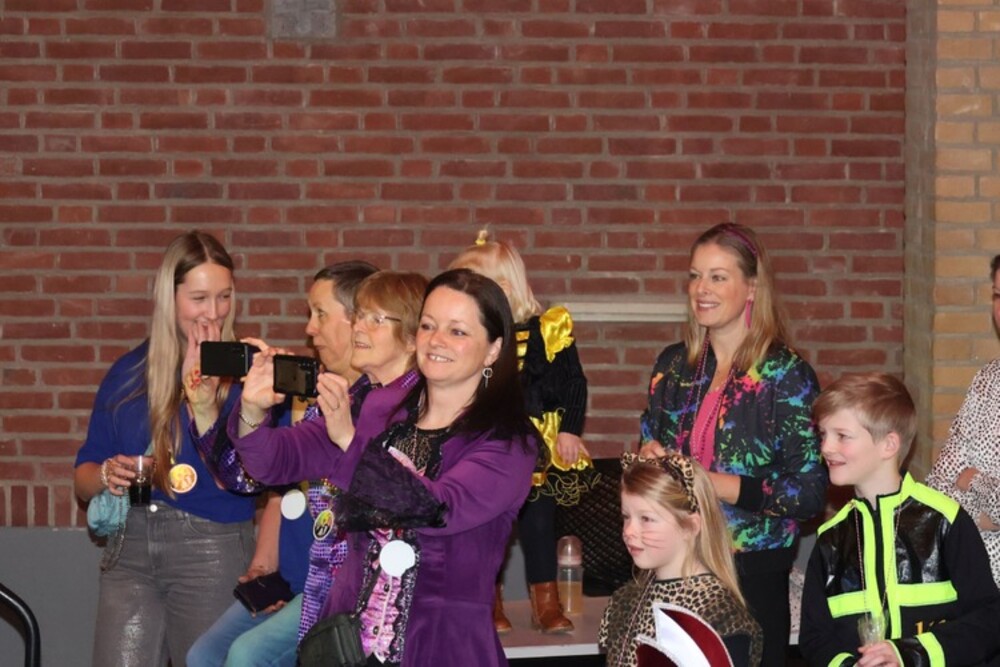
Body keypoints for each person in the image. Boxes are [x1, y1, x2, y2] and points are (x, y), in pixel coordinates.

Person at [231, 268, 539, 666]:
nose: (436, 340)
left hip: (441, 646)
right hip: (349, 643)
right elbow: (275, 462)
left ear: (494, 349)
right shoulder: (381, 407)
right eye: (428, 325)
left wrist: (350, 442)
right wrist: (253, 409)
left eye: (458, 331)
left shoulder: (508, 442)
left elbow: (436, 510)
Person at [638, 222, 826, 665]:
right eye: (695, 276)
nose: (701, 289)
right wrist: (647, 462)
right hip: (675, 569)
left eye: (718, 277)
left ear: (752, 288)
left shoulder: (785, 375)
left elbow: (810, 494)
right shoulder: (673, 366)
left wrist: (713, 484)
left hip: (752, 577)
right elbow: (648, 446)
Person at [74, 230, 257, 666]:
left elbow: (255, 476)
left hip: (211, 544)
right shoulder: (127, 373)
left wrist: (208, 396)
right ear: (168, 298)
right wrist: (106, 475)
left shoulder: (247, 373)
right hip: (130, 547)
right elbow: (82, 479)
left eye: (224, 296)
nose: (214, 311)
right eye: (199, 298)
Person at [187, 261, 379, 667]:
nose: (309, 328)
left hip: (343, 587)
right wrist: (205, 410)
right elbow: (248, 480)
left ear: (359, 321)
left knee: (246, 656)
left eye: (320, 314)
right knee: (203, 655)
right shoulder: (310, 392)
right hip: (293, 578)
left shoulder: (378, 403)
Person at [801, 372, 1000, 666]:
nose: (826, 448)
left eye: (842, 436)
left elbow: (989, 618)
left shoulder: (944, 520)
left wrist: (911, 653)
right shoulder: (830, 538)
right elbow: (814, 638)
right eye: (823, 435)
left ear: (889, 445)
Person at [449, 230, 593, 634]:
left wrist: (569, 429)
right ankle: (489, 601)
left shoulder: (550, 329)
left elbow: (574, 383)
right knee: (490, 524)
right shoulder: (480, 337)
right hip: (490, 446)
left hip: (538, 449)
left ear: (503, 288)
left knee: (539, 523)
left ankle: (546, 604)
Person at [599, 452, 763, 667]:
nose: (629, 531)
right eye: (626, 517)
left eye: (646, 519)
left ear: (691, 526)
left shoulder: (719, 613)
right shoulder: (625, 601)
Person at [926, 254, 1000, 586]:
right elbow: (939, 485)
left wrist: (974, 481)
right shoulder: (988, 380)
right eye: (998, 295)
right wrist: (984, 517)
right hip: (977, 583)